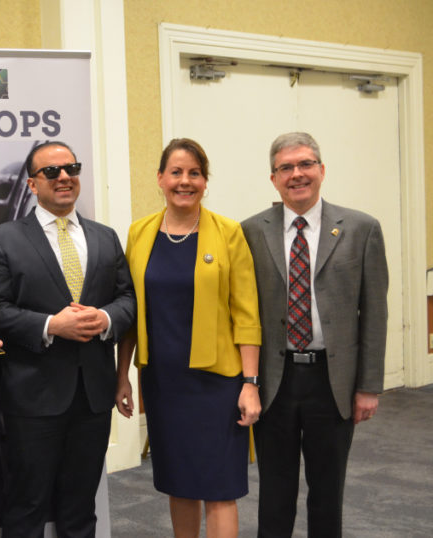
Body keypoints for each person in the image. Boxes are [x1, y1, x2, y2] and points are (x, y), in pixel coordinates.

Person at [0, 141, 136, 537]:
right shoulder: (4, 239)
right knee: (27, 503)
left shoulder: (105, 237)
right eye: (52, 172)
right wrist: (51, 325)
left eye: (72, 168)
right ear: (32, 184)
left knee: (81, 504)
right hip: (32, 396)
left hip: (92, 396)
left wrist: (103, 317)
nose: (64, 177)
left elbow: (128, 300)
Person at [241, 132, 389, 537]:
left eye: (305, 164)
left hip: (333, 381)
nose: (297, 174)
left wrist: (368, 386)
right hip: (276, 380)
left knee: (327, 491)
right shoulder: (250, 232)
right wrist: (246, 381)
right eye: (286, 167)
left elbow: (375, 313)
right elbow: (243, 312)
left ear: (321, 170)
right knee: (275, 490)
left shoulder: (362, 229)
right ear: (273, 179)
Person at [115, 138, 262, 538]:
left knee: (219, 487)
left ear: (205, 181)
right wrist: (122, 375)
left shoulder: (229, 233)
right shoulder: (139, 233)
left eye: (194, 173)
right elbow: (130, 313)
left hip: (217, 383)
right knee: (178, 482)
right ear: (160, 179)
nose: (185, 181)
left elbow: (247, 315)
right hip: (163, 383)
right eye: (176, 172)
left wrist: (250, 384)